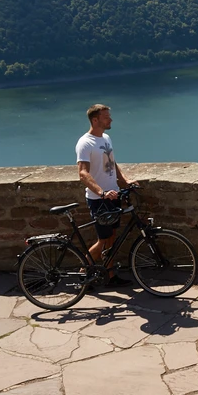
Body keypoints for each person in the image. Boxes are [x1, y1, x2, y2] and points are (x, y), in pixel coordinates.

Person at [75, 104, 138, 285]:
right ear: (95, 120)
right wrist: (101, 193)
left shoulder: (106, 138)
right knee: (103, 240)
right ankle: (82, 273)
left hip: (113, 196)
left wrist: (125, 181)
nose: (110, 119)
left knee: (111, 237)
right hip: (99, 200)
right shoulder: (85, 143)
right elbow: (83, 173)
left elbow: (112, 163)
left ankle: (110, 276)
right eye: (106, 117)